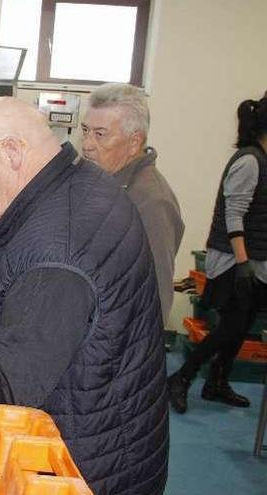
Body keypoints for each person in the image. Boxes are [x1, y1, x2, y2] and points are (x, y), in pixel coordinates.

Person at [0, 98, 168, 494]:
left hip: (84, 466)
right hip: (112, 435)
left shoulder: (57, 252)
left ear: (12, 153)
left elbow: (4, 385)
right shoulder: (82, 183)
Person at [167, 92, 267, 413]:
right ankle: (182, 377)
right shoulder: (250, 160)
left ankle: (217, 383)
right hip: (235, 261)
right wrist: (242, 265)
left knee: (243, 324)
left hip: (256, 261)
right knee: (230, 327)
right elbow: (234, 212)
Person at [82, 83, 184, 327]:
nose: (86, 144)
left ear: (134, 142)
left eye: (100, 134)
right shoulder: (105, 184)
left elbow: (156, 297)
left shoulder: (151, 201)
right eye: (85, 131)